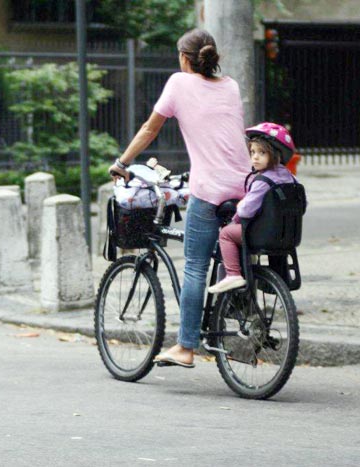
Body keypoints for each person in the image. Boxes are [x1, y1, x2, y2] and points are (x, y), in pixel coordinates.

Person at [108, 29, 250, 368]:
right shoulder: (231, 86)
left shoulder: (178, 83)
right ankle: (230, 316)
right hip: (245, 187)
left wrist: (122, 163)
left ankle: (186, 347)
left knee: (196, 266)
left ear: (185, 58)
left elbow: (150, 128)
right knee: (229, 253)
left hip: (210, 189)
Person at [208, 123, 297, 294]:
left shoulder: (262, 181)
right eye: (253, 152)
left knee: (226, 234)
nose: (255, 157)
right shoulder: (290, 178)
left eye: (262, 153)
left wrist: (241, 205)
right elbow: (302, 204)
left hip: (261, 234)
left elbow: (245, 211)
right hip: (286, 234)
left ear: (276, 154)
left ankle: (233, 275)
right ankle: (280, 278)